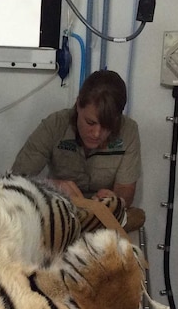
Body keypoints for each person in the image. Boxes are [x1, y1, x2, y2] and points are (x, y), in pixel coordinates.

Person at [10, 69, 145, 230]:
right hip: (60, 213)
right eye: (90, 122)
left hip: (102, 218)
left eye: (107, 127)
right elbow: (15, 179)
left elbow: (126, 189)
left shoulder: (128, 130)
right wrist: (51, 186)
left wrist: (115, 200)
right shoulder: (55, 125)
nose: (96, 133)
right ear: (78, 105)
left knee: (138, 216)